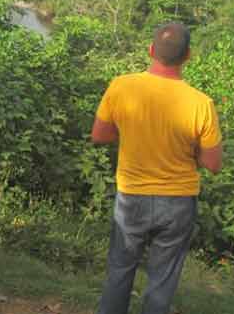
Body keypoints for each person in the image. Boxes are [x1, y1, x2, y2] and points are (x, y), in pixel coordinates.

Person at [91, 22, 223, 314]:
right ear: (188, 55)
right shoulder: (201, 104)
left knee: (120, 270)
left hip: (131, 197)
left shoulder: (121, 86)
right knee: (162, 281)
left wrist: (129, 132)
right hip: (178, 202)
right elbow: (213, 164)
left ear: (151, 50)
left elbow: (99, 135)